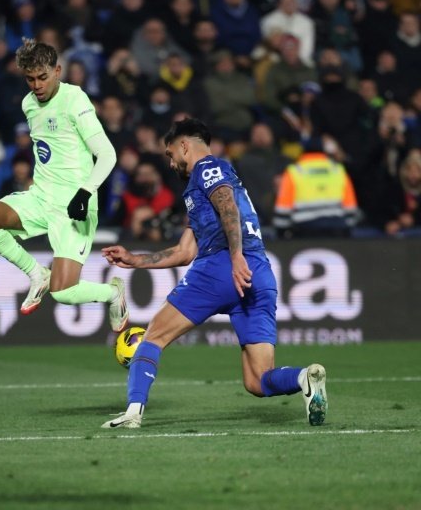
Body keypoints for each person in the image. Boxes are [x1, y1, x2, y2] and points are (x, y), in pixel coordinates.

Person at [100, 118, 328, 429]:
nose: (170, 162)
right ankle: (306, 378)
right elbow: (184, 251)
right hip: (258, 273)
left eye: (169, 154)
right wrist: (135, 260)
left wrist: (234, 257)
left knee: (154, 335)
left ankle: (133, 412)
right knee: (258, 380)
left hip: (224, 266)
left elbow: (227, 207)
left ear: (184, 146)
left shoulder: (208, 168)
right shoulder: (201, 189)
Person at [0, 38, 128, 332]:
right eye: (30, 79)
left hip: (75, 206)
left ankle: (113, 293)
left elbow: (107, 154)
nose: (37, 85)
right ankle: (36, 274)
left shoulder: (75, 99)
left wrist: (84, 193)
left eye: (43, 77)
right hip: (41, 197)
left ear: (58, 70)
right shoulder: (28, 104)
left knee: (64, 293)